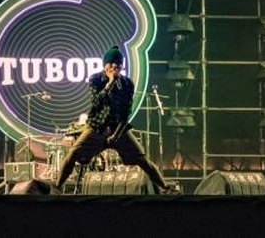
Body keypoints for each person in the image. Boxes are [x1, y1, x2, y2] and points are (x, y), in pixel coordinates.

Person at [55, 46, 175, 194]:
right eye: (111, 63)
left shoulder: (127, 84)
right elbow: (97, 102)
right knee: (73, 154)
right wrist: (110, 83)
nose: (114, 67)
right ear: (105, 65)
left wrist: (116, 135)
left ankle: (165, 188)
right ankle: (57, 187)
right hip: (97, 127)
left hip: (118, 129)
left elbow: (126, 113)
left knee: (141, 159)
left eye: (118, 64)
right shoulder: (95, 79)